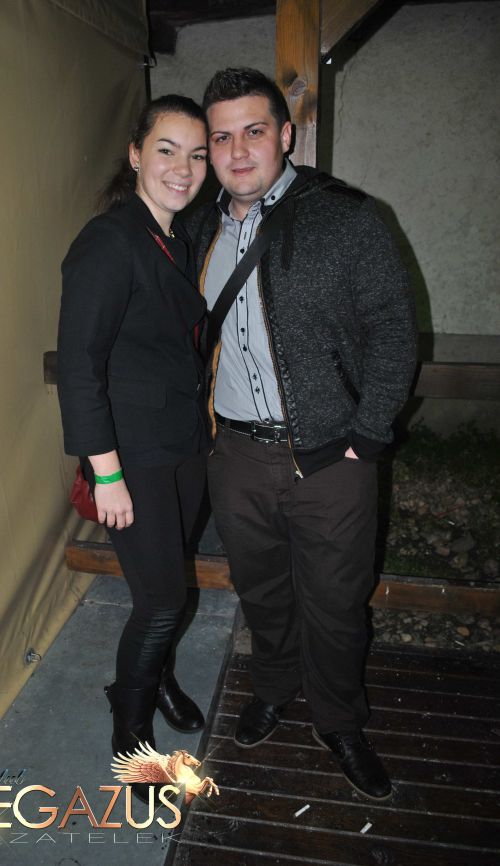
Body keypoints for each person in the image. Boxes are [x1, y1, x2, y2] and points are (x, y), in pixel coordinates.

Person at [187, 68, 417, 801]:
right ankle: (274, 688)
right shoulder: (197, 229)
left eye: (254, 131)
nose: (238, 151)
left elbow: (394, 329)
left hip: (330, 457)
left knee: (337, 602)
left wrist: (365, 436)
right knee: (262, 592)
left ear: (286, 135)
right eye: (222, 136)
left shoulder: (346, 218)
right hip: (235, 454)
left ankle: (340, 721)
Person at [57, 95, 209, 775]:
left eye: (197, 155)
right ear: (136, 155)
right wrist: (107, 472)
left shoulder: (175, 237)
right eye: (167, 149)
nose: (183, 167)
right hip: (132, 454)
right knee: (161, 600)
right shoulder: (109, 241)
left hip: (183, 443)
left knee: (170, 579)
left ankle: (161, 677)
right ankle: (131, 729)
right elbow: (79, 366)